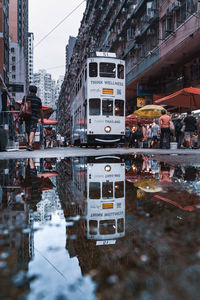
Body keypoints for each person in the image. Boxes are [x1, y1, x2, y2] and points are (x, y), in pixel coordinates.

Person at [21, 85, 44, 151]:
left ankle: (29, 144)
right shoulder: (38, 99)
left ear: (29, 90)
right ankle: (30, 144)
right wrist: (42, 119)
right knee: (32, 130)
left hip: (26, 116)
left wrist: (20, 115)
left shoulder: (25, 97)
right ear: (36, 92)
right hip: (34, 117)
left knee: (28, 130)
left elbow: (22, 107)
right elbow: (41, 110)